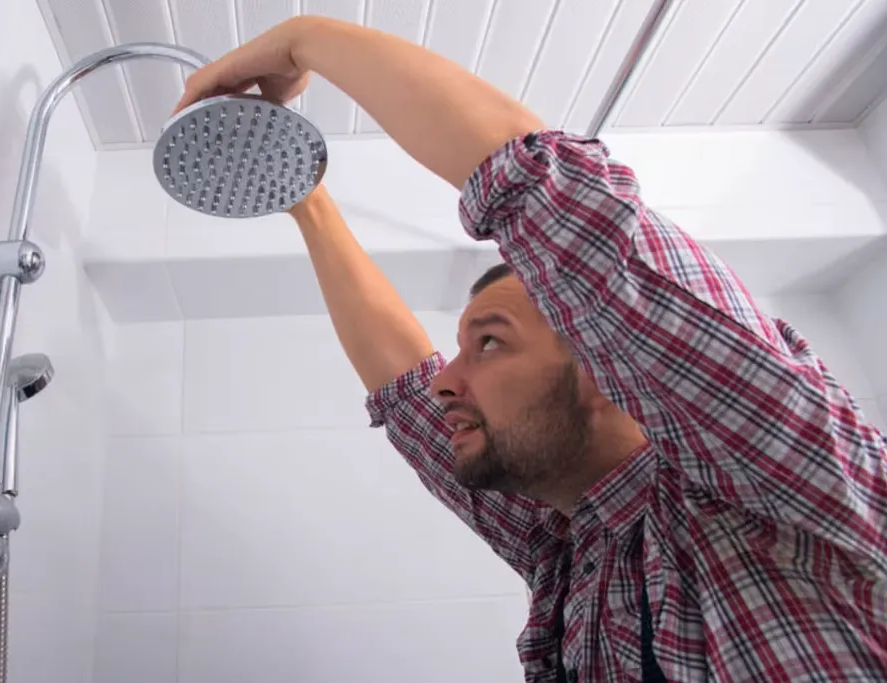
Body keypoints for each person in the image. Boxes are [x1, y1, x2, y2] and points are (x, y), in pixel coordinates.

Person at [174, 16, 887, 682]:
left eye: (489, 342)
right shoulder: (568, 553)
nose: (446, 381)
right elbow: (404, 387)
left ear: (606, 365)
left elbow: (558, 204)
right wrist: (302, 194)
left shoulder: (780, 486)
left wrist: (303, 36)